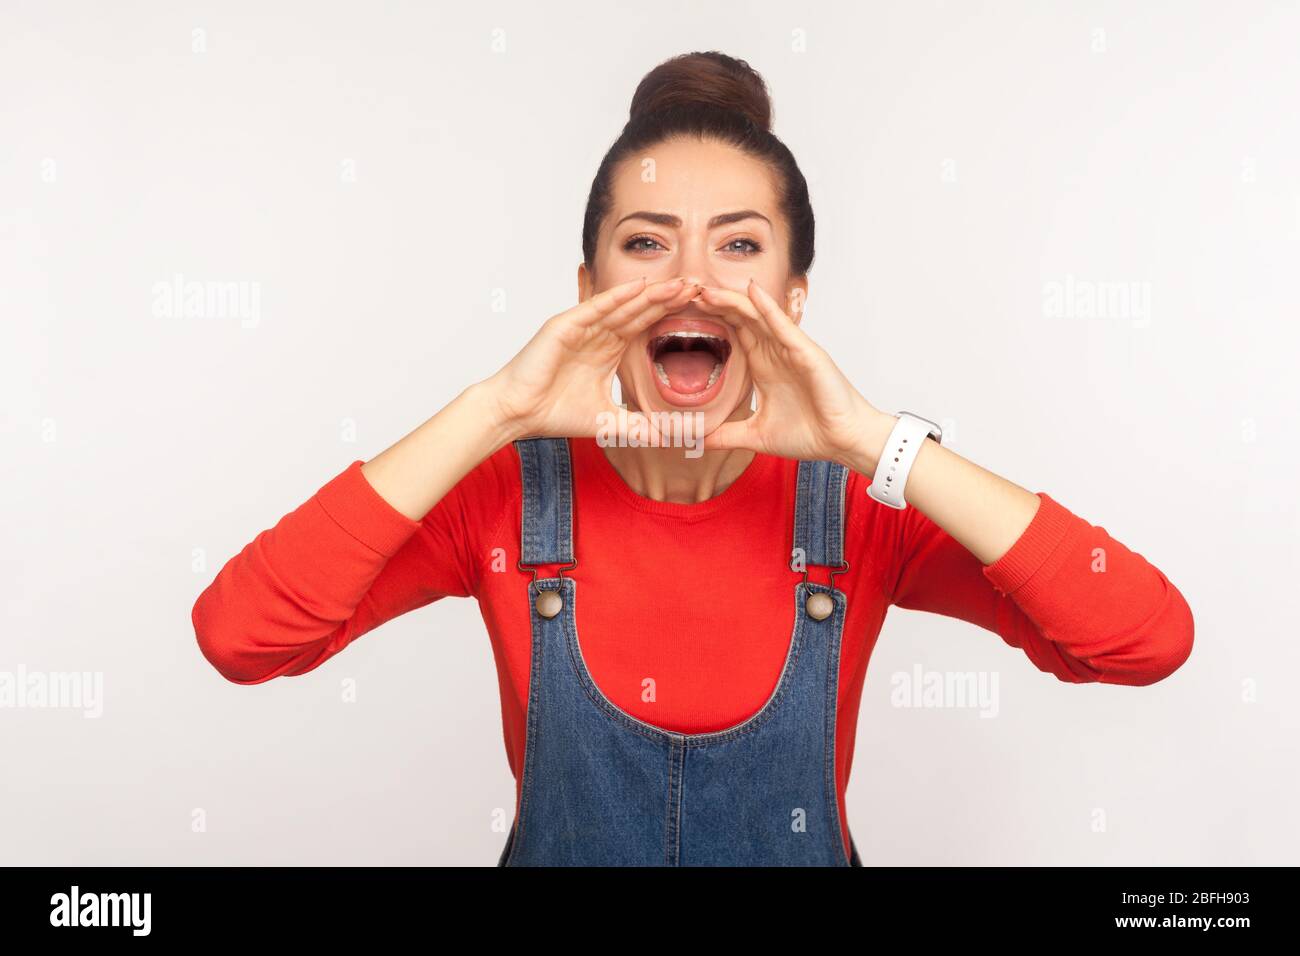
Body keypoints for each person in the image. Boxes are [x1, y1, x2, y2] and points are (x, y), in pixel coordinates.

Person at [191, 51, 1194, 867]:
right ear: (587, 286)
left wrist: (871, 440)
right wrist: (498, 408)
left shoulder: (859, 504)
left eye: (740, 246)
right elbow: (243, 634)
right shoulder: (503, 496)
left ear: (794, 297)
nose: (693, 283)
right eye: (645, 244)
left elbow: (1140, 637)